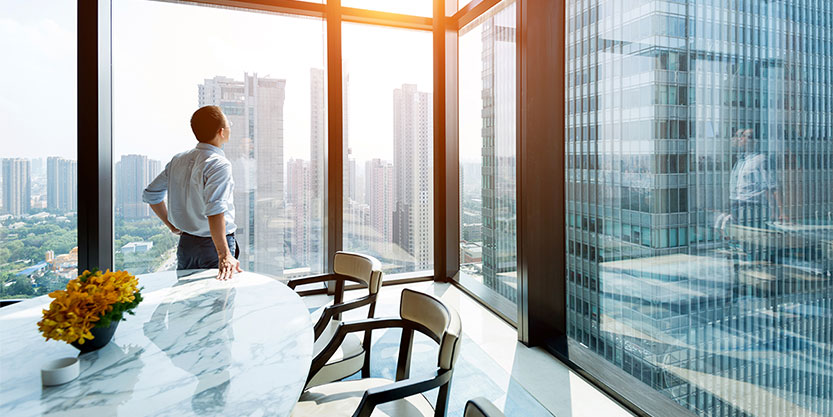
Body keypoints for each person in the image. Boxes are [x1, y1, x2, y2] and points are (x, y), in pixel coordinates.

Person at [142, 105, 242, 280]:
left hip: (186, 246)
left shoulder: (178, 160)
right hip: (213, 247)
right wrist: (224, 254)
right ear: (221, 132)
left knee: (186, 302)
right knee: (218, 303)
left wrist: (171, 225)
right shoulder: (218, 164)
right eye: (229, 124)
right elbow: (215, 210)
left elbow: (151, 194)